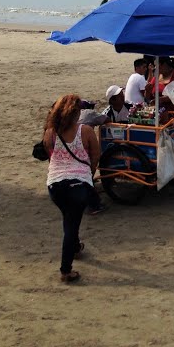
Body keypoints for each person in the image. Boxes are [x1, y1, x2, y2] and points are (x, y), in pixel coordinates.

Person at [43, 94, 101, 283]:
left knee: (69, 217)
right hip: (78, 183)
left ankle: (75, 246)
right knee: (71, 224)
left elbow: (50, 153)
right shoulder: (85, 131)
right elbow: (95, 156)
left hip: (55, 184)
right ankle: (65, 270)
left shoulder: (50, 132)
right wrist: (88, 175)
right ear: (77, 113)